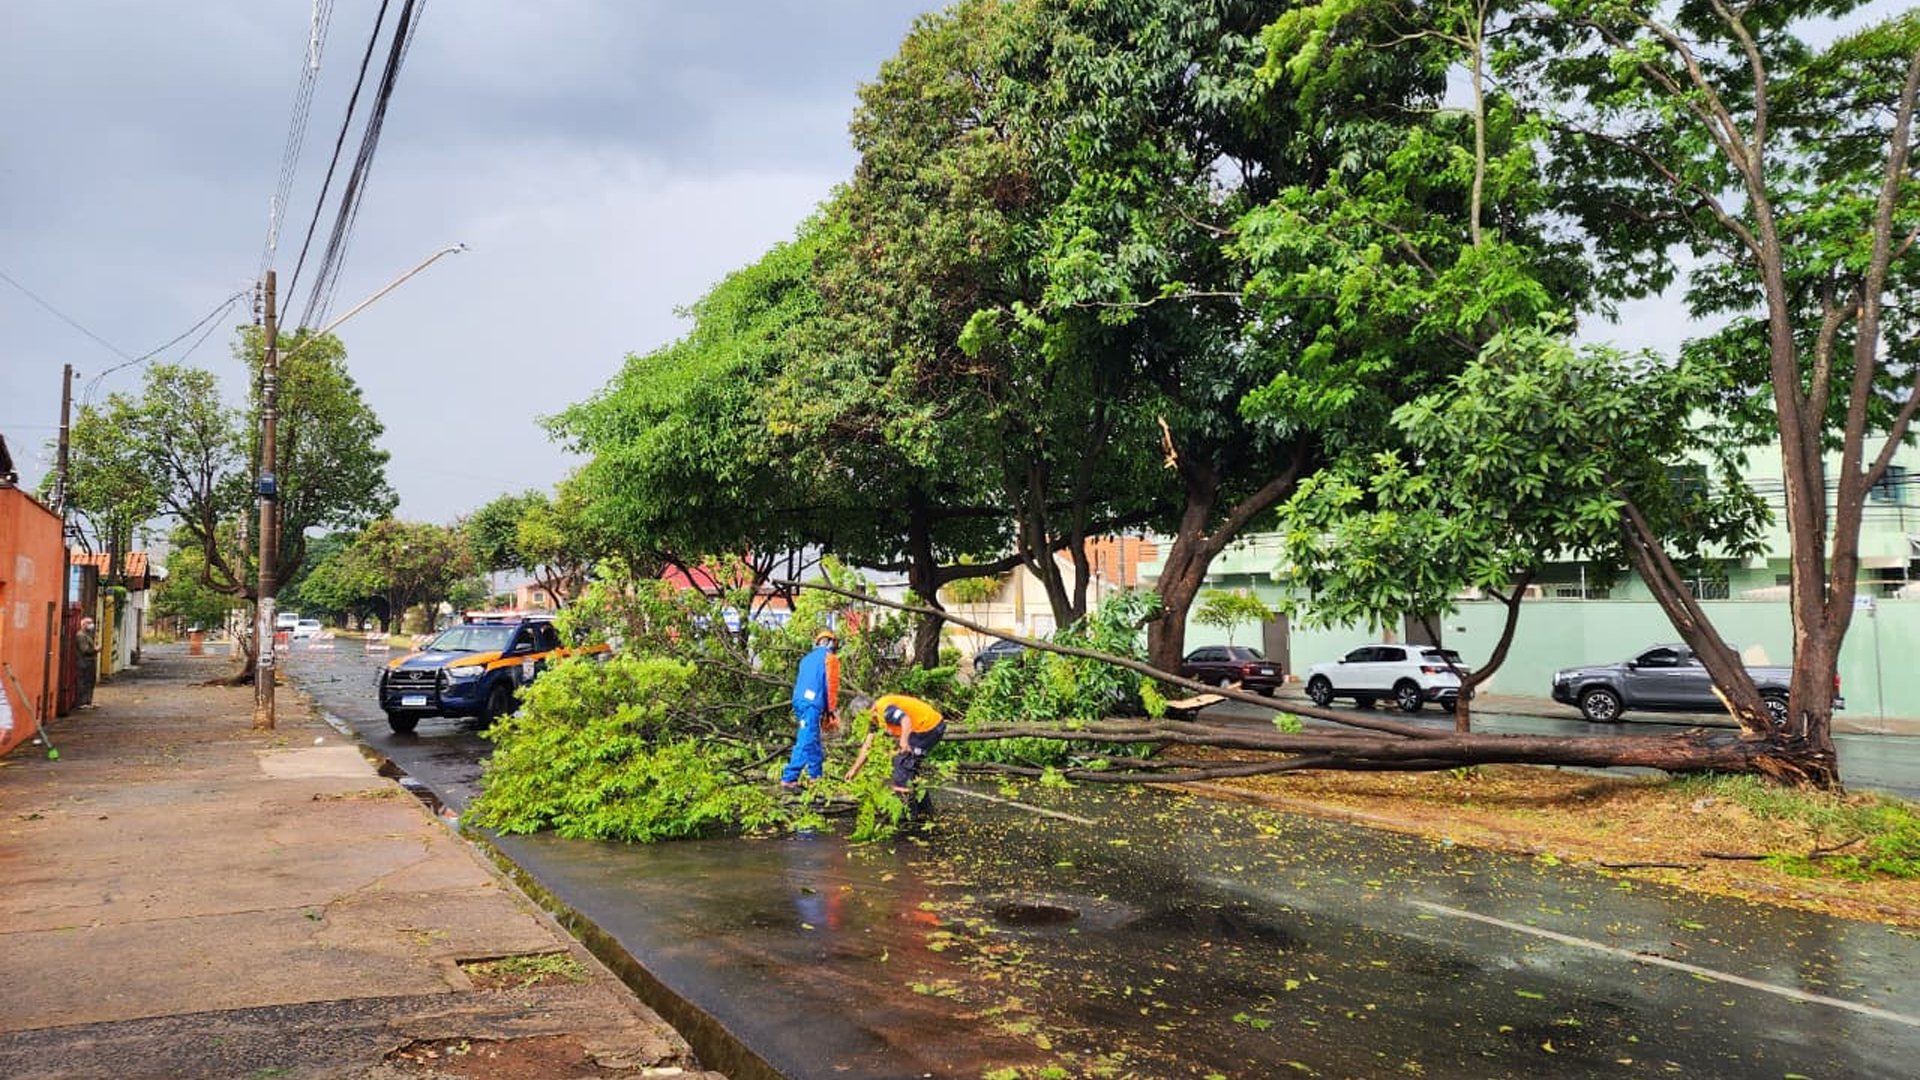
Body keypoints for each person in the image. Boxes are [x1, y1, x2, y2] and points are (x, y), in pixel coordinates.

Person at [845, 693, 947, 815]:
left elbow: (905, 720)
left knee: (902, 766)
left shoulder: (885, 710)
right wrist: (854, 769)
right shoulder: (874, 718)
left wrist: (903, 741)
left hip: (928, 727)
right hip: (921, 728)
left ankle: (908, 813)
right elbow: (868, 745)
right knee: (909, 769)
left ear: (868, 711)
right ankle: (925, 811)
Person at [781, 628, 841, 788]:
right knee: (806, 738)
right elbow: (831, 686)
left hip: (800, 701)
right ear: (831, 643)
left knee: (812, 737)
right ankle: (789, 778)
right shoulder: (830, 659)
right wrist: (831, 712)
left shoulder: (806, 659)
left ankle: (816, 776)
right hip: (812, 703)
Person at [74, 617, 100, 709]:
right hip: (85, 662)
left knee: (90, 681)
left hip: (89, 662)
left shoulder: (87, 635)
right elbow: (85, 650)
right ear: (83, 624)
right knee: (84, 682)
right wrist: (96, 650)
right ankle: (82, 702)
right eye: (89, 623)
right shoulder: (81, 635)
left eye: (91, 623)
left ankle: (88, 702)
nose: (91, 625)